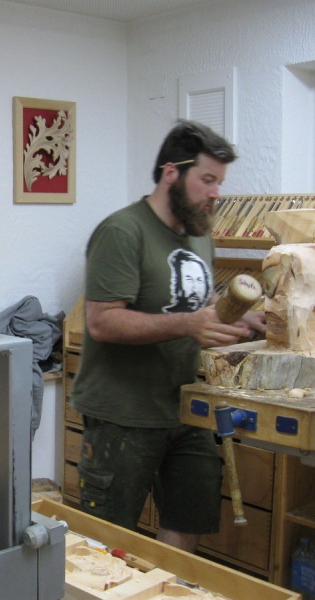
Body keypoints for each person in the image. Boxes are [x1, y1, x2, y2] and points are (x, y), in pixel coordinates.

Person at [69, 120, 266, 553]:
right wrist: (188, 325)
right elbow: (103, 322)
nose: (216, 193)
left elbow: (194, 302)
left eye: (220, 182)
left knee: (188, 518)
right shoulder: (123, 232)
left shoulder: (200, 234)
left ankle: (171, 584)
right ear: (171, 173)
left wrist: (240, 318)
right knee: (108, 539)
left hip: (185, 408)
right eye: (207, 180)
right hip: (122, 416)